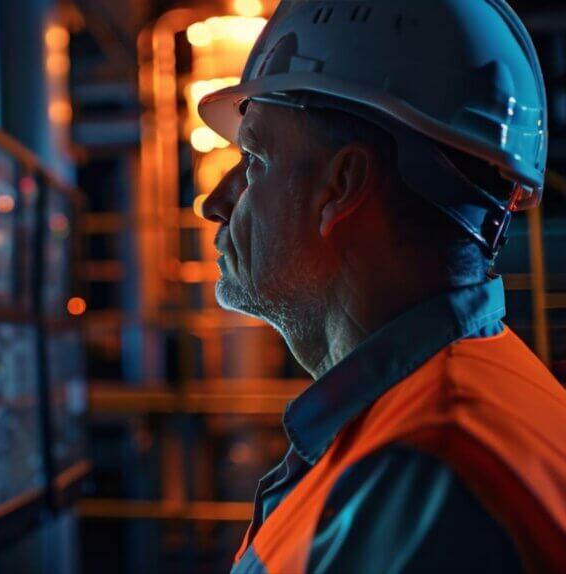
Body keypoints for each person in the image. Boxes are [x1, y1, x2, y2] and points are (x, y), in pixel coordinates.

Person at [197, 1, 566, 572]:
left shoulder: (427, 481)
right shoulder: (451, 410)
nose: (214, 203)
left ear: (341, 185)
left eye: (253, 158)